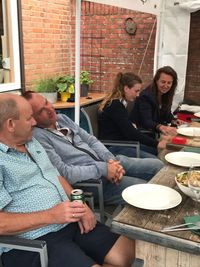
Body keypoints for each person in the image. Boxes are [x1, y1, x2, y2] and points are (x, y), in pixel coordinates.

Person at [0, 93, 135, 267]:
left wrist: (82, 205)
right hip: (35, 240)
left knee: (128, 253)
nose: (34, 123)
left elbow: (55, 175)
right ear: (11, 124)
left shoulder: (31, 142)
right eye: (28, 119)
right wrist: (51, 216)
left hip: (70, 221)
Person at [22, 91, 164, 206]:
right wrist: (103, 169)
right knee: (147, 191)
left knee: (158, 166)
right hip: (92, 183)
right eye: (41, 110)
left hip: (107, 162)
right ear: (32, 118)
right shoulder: (38, 137)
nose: (49, 109)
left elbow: (90, 139)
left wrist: (111, 161)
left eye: (46, 102)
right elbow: (64, 173)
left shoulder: (62, 118)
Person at [98, 72, 169, 158]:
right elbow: (132, 133)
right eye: (136, 91)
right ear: (126, 88)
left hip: (123, 143)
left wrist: (130, 125)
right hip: (114, 147)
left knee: (155, 151)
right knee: (156, 159)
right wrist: (158, 143)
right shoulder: (116, 106)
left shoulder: (119, 103)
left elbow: (126, 127)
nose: (138, 94)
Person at [130, 66, 183, 137]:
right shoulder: (145, 96)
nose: (166, 85)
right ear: (156, 81)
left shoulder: (166, 95)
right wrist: (161, 127)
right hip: (143, 135)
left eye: (169, 83)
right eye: (163, 82)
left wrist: (173, 120)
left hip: (155, 133)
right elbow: (146, 121)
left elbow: (166, 114)